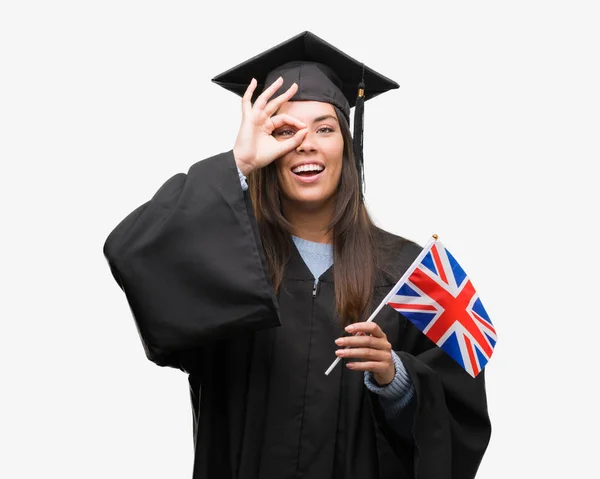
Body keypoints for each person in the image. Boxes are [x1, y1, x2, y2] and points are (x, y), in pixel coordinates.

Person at [103, 31, 491, 479]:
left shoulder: (409, 272)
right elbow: (134, 254)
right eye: (285, 131)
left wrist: (396, 378)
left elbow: (459, 423)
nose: (306, 143)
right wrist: (237, 163)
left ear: (347, 144)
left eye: (325, 128)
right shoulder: (226, 260)